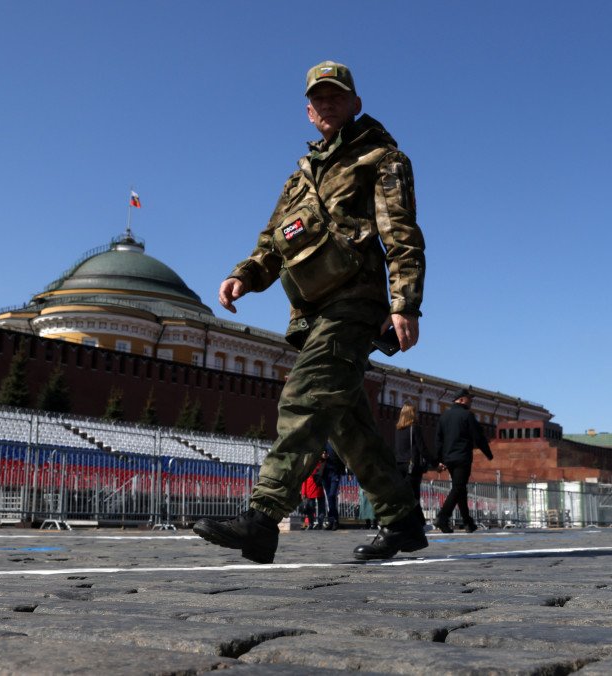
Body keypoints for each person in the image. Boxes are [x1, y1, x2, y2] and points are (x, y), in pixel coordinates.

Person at [193, 60, 427, 564]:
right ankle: (403, 519)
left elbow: (401, 235)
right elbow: (271, 243)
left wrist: (404, 303)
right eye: (319, 98)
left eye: (336, 96)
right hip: (311, 312)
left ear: (355, 102)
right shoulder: (299, 177)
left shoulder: (381, 158)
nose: (327, 104)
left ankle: (262, 519)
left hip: (356, 303)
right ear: (308, 110)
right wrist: (244, 275)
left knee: (303, 397)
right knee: (348, 427)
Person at [435, 389, 492, 533]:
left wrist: (438, 460)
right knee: (458, 488)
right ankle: (442, 517)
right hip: (462, 458)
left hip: (448, 458)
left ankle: (468, 522)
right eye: (469, 399)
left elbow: (438, 440)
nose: (471, 401)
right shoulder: (467, 415)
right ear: (460, 399)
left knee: (461, 489)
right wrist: (488, 454)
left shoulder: (444, 416)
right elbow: (478, 437)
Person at [394, 402, 432, 503]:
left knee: (403, 497)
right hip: (412, 467)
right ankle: (418, 519)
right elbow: (422, 449)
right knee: (414, 497)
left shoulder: (398, 430)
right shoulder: (414, 428)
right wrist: (435, 463)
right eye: (416, 412)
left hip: (399, 465)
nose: (417, 415)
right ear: (412, 414)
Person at [320, 442, 345, 530]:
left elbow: (343, 457)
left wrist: (346, 472)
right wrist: (322, 456)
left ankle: (332, 518)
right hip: (325, 474)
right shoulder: (323, 443)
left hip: (335, 473)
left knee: (332, 495)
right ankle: (334, 520)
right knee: (329, 497)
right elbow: (316, 457)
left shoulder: (336, 444)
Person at [299, 457, 325, 529]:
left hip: (315, 488)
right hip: (312, 489)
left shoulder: (318, 464)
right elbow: (304, 480)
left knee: (314, 508)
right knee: (312, 508)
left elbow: (304, 480)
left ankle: (315, 524)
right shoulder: (320, 464)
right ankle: (314, 523)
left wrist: (303, 492)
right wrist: (303, 492)